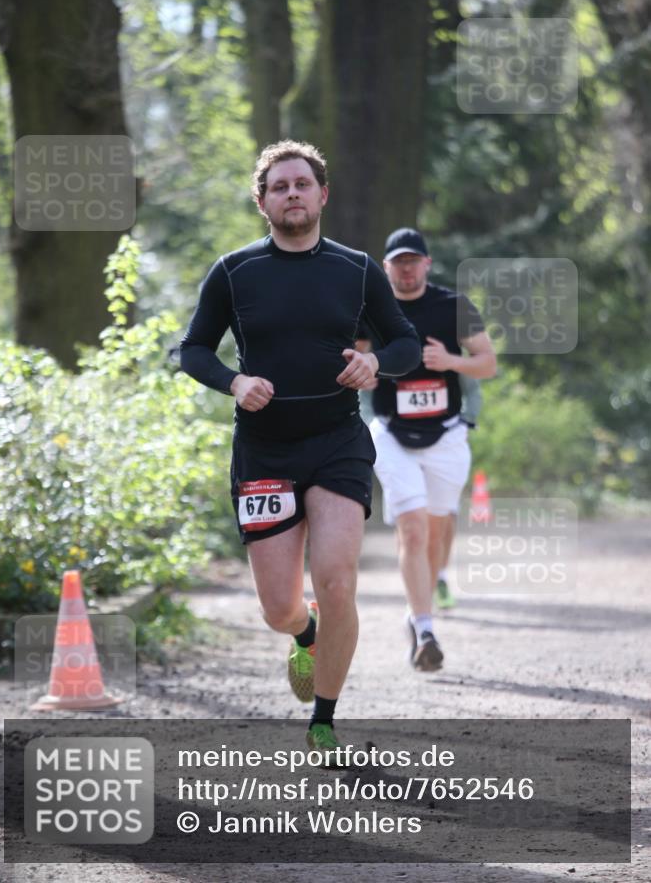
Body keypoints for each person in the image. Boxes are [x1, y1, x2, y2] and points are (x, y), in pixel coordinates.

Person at [179, 142, 420, 753]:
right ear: (262, 201)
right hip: (264, 450)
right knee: (278, 608)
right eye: (280, 186)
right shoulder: (234, 271)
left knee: (338, 580)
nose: (292, 194)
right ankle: (304, 634)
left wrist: (374, 363)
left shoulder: (357, 268)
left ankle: (324, 719)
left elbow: (406, 344)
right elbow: (194, 349)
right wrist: (235, 381)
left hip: (338, 442)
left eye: (302, 184)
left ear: (322, 195)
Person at [364, 228, 496, 672]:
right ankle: (425, 629)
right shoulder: (372, 309)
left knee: (438, 532)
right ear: (386, 268)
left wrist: (452, 362)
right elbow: (355, 360)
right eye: (397, 262)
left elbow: (488, 362)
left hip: (445, 435)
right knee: (413, 528)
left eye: (412, 260)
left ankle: (419, 609)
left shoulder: (455, 307)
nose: (405, 268)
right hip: (391, 433)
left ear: (427, 263)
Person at [433, 374, 483, 610]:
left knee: (447, 513)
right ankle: (416, 580)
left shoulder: (449, 345)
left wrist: (466, 420)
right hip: (402, 440)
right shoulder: (397, 344)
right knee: (409, 515)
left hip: (447, 440)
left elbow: (472, 386)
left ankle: (440, 577)